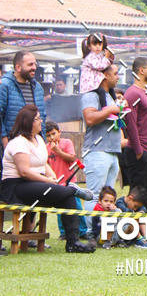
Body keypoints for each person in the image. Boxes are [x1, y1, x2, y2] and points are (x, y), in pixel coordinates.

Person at [0, 104, 94, 252]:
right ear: (29, 122)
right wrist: (48, 181)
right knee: (65, 191)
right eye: (38, 119)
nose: (41, 122)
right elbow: (24, 172)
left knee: (67, 197)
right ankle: (72, 189)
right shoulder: (18, 142)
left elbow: (44, 164)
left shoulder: (38, 139)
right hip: (16, 187)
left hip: (34, 184)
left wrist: (53, 177)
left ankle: (73, 243)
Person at [81, 63, 123, 231]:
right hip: (97, 152)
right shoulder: (92, 95)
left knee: (108, 197)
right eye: (115, 73)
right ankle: (91, 232)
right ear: (105, 75)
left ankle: (104, 232)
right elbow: (90, 118)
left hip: (112, 151)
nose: (118, 77)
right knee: (94, 195)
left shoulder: (109, 95)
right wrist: (111, 109)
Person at [123, 57, 147, 212]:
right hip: (140, 152)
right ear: (141, 71)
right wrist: (139, 150)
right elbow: (130, 124)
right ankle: (133, 225)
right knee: (137, 196)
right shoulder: (132, 93)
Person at [46, 120, 87, 241]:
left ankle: (82, 230)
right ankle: (63, 232)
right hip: (57, 183)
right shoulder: (46, 148)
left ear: (59, 132)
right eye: (48, 135)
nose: (51, 137)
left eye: (53, 134)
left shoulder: (66, 143)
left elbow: (72, 158)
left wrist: (58, 151)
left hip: (70, 181)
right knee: (60, 208)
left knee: (77, 206)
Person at [0, 51, 47, 145]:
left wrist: (43, 141)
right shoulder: (4, 86)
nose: (34, 67)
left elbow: (42, 116)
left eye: (35, 64)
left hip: (34, 143)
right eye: (30, 64)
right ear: (18, 67)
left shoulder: (37, 88)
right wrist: (5, 141)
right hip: (12, 143)